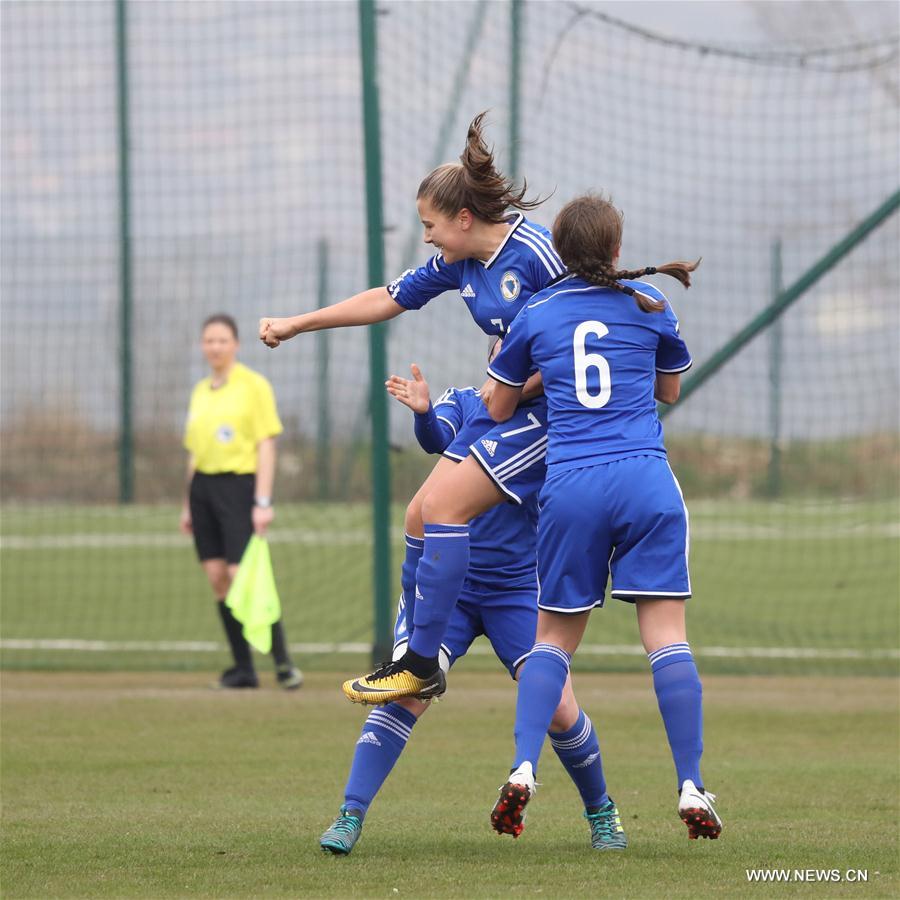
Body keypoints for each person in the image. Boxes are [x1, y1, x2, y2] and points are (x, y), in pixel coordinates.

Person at [259, 112, 563, 704]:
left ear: (464, 217)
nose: (426, 236)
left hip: (554, 420)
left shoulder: (537, 254)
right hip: (506, 407)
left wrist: (511, 388)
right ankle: (412, 657)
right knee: (421, 512)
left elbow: (580, 334)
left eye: (430, 224)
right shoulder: (460, 263)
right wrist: (300, 324)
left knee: (434, 507)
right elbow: (387, 298)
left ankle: (420, 658)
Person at [484, 193, 721, 841]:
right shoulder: (650, 304)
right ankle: (691, 783)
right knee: (667, 636)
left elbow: (499, 407)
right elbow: (669, 389)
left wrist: (540, 378)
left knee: (553, 641)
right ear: (617, 250)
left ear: (559, 254)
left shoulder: (537, 311)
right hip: (644, 479)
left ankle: (524, 768)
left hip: (571, 487)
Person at [319, 360, 626, 855]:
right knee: (407, 691)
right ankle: (349, 815)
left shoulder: (556, 425)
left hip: (518, 592)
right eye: (508, 346)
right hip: (450, 593)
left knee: (561, 708)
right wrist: (422, 413)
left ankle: (603, 813)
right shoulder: (467, 402)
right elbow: (437, 434)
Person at [181, 313, 303, 690]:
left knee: (243, 577)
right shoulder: (201, 391)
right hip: (203, 490)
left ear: (235, 344)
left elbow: (266, 444)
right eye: (209, 340)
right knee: (218, 579)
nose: (214, 347)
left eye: (222, 340)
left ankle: (283, 664)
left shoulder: (254, 386)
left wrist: (262, 500)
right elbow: (194, 452)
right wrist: (188, 502)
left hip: (238, 488)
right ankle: (243, 669)